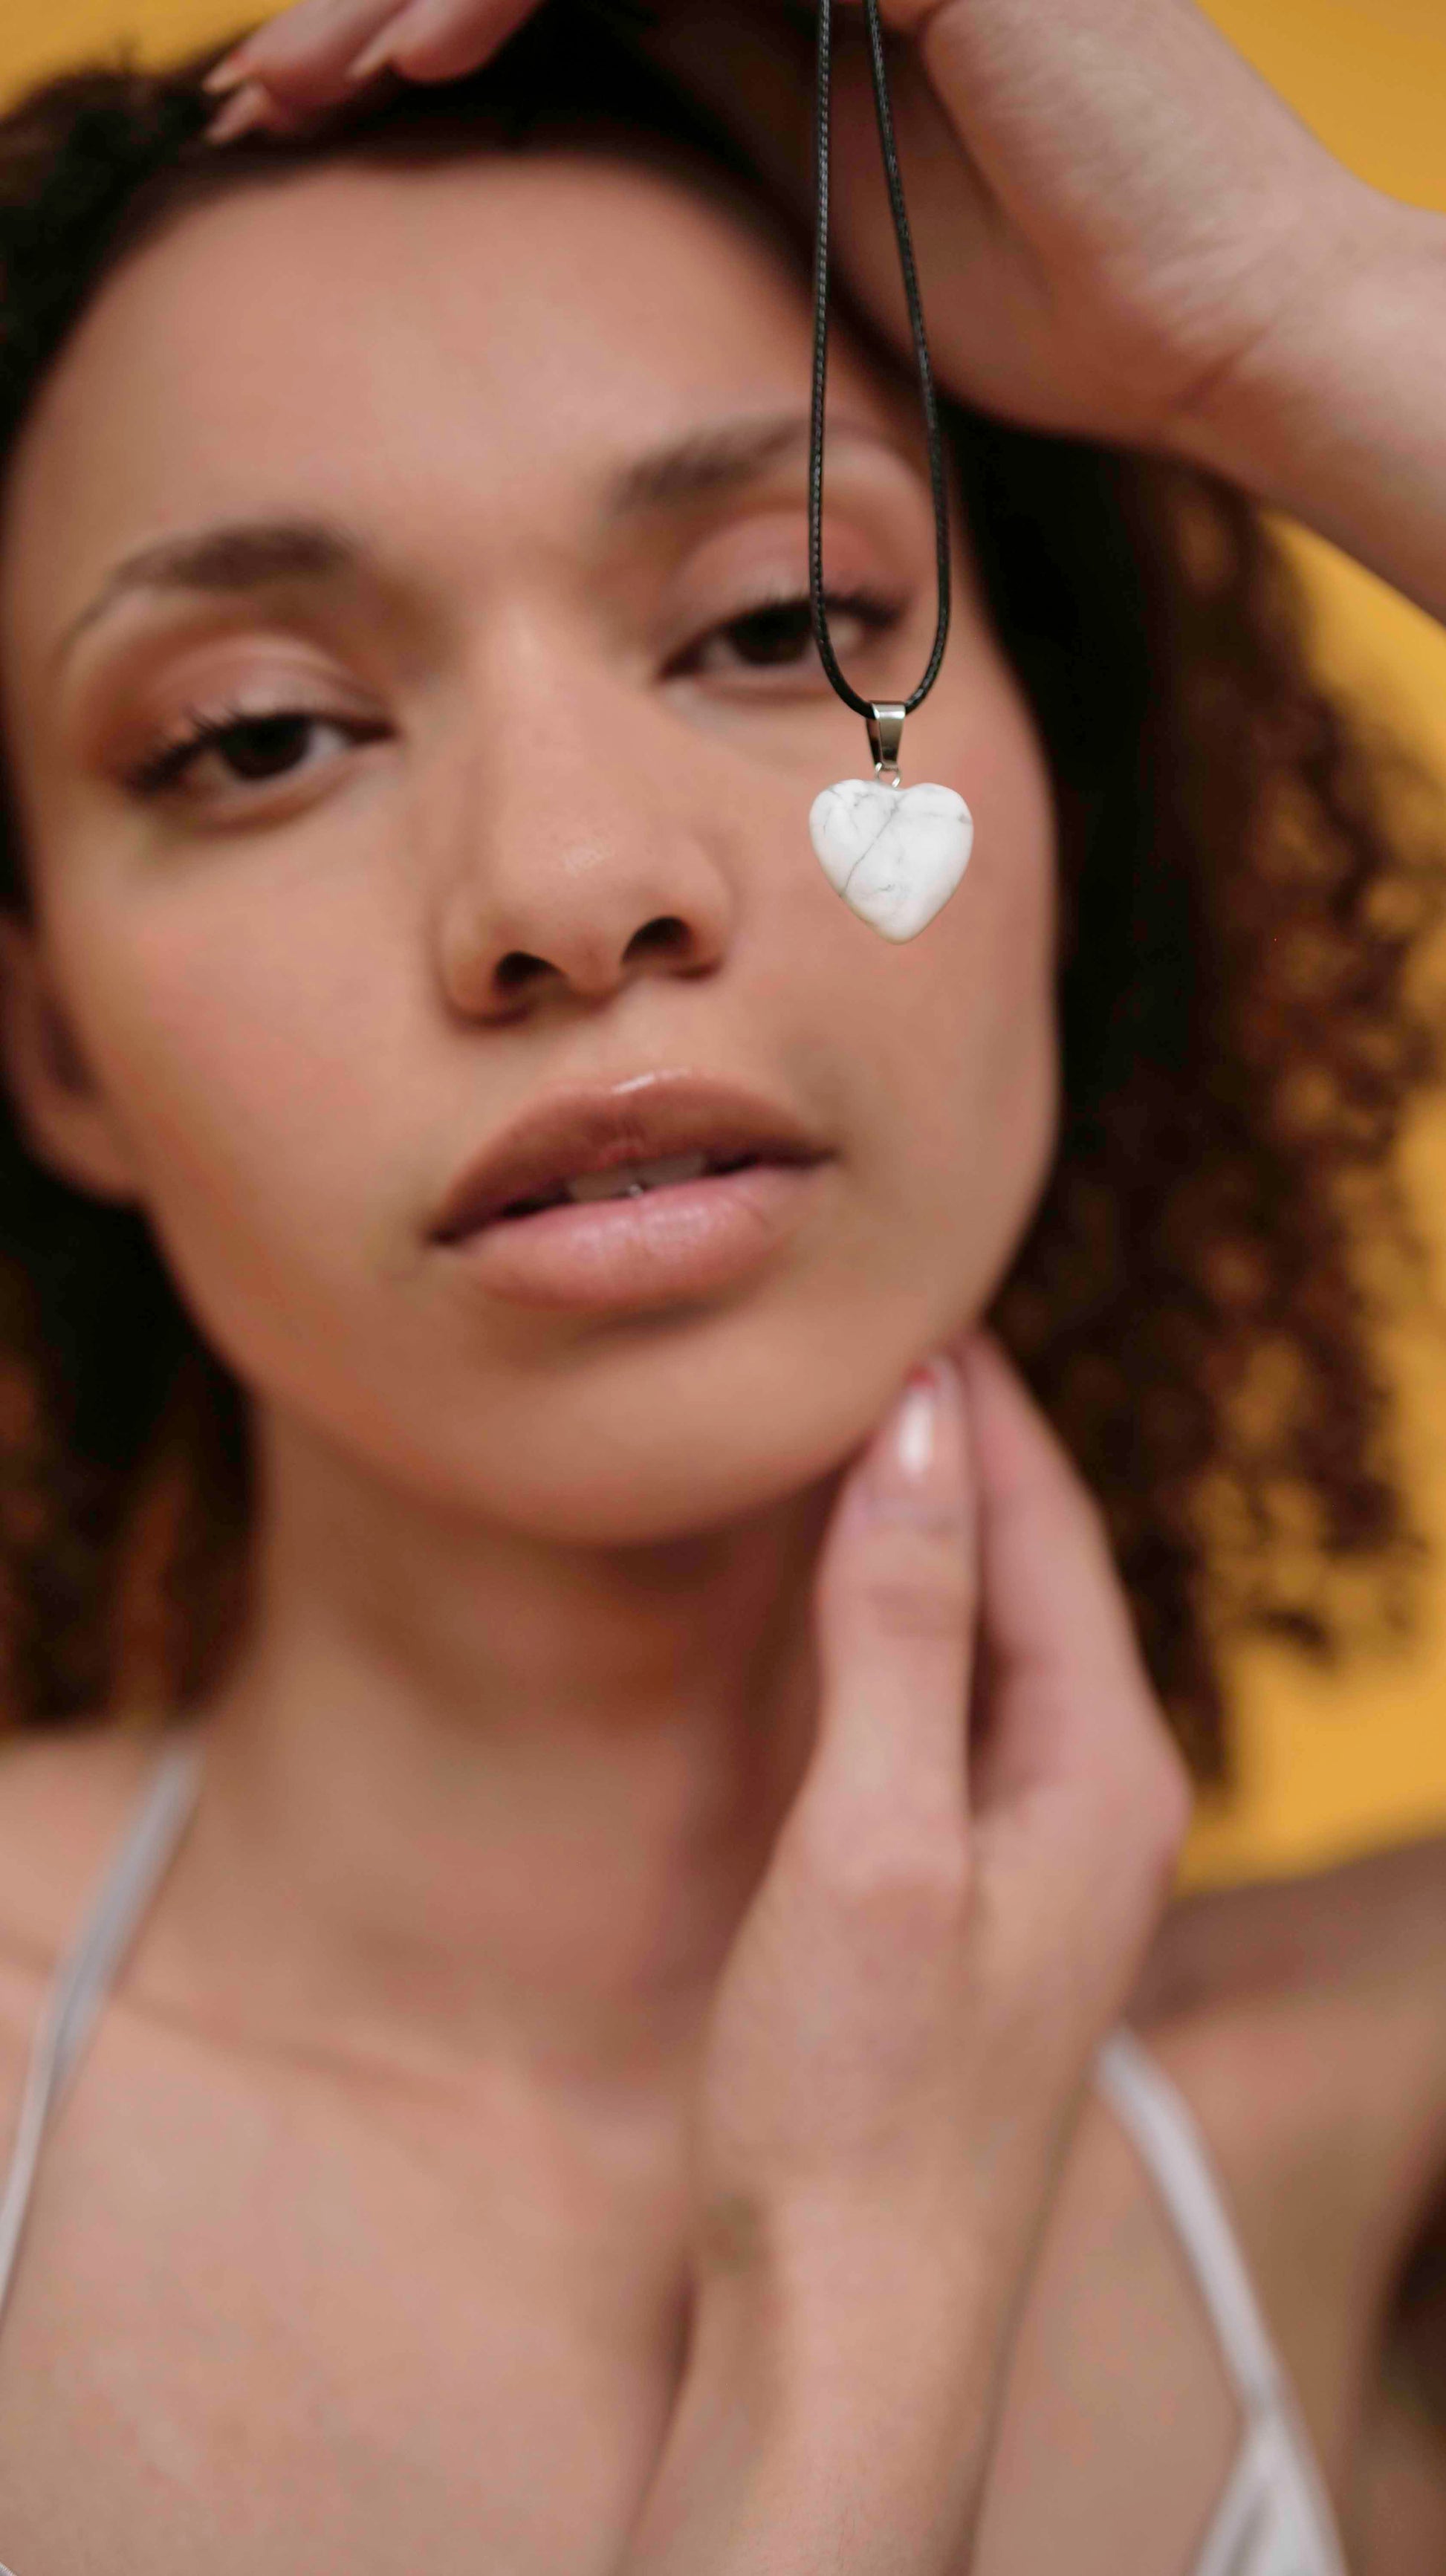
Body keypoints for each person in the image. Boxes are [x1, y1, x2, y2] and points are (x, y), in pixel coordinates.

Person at [0, 0, 1443, 2564]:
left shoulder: (1369, 2128)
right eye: (254, 738)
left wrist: (1288, 313)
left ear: (1073, 811)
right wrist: (844, 2330)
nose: (570, 888)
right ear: (53, 1047)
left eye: (782, 617)